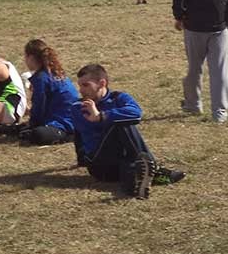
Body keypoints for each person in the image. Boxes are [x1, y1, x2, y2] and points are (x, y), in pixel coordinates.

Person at [73, 64, 185, 199]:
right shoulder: (79, 107)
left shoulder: (119, 97)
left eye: (85, 85)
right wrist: (101, 118)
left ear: (102, 83)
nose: (81, 90)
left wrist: (102, 115)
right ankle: (154, 171)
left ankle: (137, 185)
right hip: (100, 164)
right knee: (121, 124)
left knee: (130, 165)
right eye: (80, 86)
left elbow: (136, 113)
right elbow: (91, 132)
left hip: (123, 159)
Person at [22, 39, 79, 145]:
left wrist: (33, 123)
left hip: (62, 122)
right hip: (71, 118)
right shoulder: (55, 72)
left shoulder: (41, 78)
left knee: (37, 134)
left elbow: (39, 106)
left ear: (30, 57)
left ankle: (67, 136)